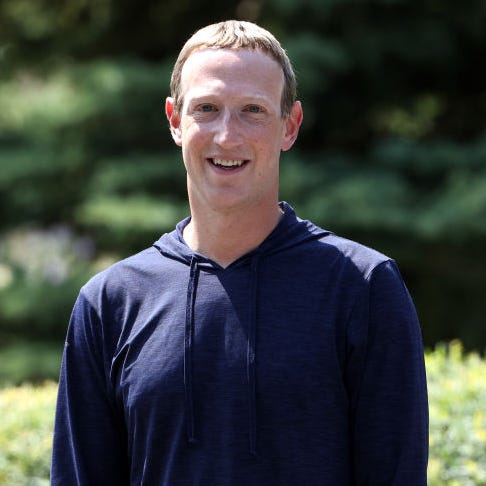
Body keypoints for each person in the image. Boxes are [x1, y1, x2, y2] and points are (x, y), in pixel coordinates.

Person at [51, 20, 428, 485]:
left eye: (253, 111)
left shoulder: (363, 287)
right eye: (206, 109)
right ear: (174, 120)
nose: (227, 136)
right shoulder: (110, 302)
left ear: (290, 127)